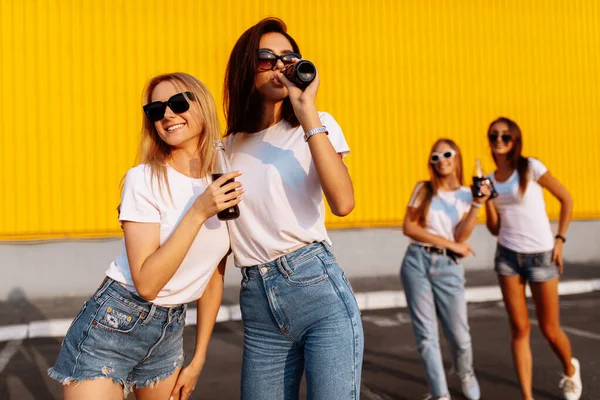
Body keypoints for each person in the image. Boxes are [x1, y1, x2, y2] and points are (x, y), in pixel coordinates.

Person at [48, 72, 243, 400]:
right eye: (156, 110)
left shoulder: (223, 171)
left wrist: (198, 360)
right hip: (113, 323)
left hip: (169, 331)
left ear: (203, 106)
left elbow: (212, 275)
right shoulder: (144, 179)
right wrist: (198, 212)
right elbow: (148, 283)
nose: (167, 114)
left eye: (178, 103)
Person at [222, 17, 363, 400]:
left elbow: (344, 202)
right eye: (267, 57)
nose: (280, 65)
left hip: (317, 286)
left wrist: (306, 110)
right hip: (256, 301)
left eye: (289, 57)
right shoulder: (226, 148)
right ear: (245, 68)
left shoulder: (315, 123)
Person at [484, 117, 581, 400]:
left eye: (505, 136)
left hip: (542, 256)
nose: (499, 140)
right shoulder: (489, 180)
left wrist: (560, 240)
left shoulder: (531, 168)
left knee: (550, 330)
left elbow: (567, 199)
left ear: (515, 140)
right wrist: (487, 198)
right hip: (507, 258)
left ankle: (570, 369)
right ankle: (527, 396)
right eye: (494, 136)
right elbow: (494, 228)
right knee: (519, 328)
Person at [401, 139, 487, 400]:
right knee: (426, 336)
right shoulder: (423, 189)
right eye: (435, 157)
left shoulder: (465, 195)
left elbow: (461, 236)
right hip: (416, 262)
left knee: (460, 335)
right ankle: (440, 394)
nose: (442, 160)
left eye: (446, 154)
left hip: (449, 267)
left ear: (457, 157)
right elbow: (410, 227)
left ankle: (465, 372)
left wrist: (477, 204)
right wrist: (450, 244)